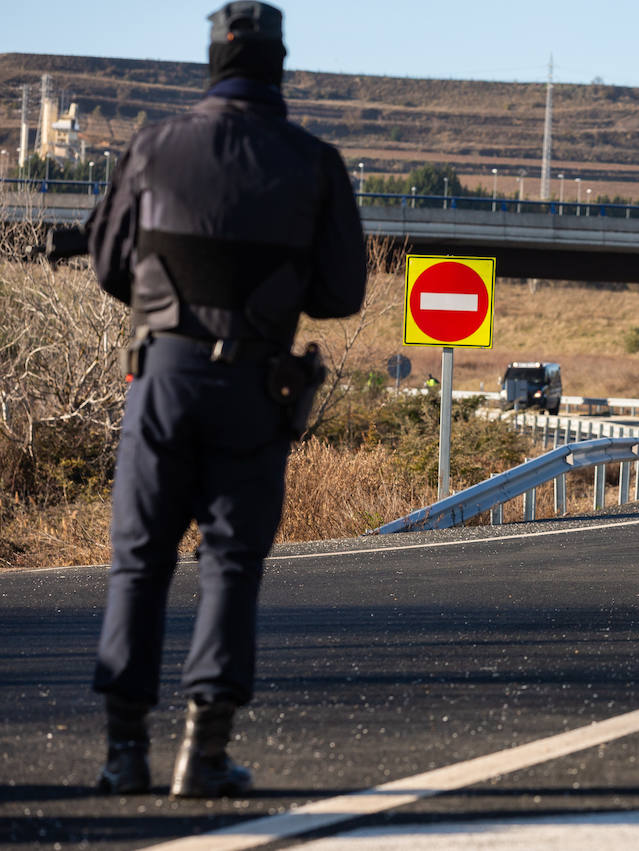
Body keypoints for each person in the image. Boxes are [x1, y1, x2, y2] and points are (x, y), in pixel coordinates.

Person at [85, 1, 366, 797]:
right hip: (253, 385)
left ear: (212, 61)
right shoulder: (314, 162)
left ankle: (122, 752)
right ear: (280, 65)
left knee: (139, 561)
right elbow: (343, 292)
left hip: (162, 379)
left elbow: (109, 264)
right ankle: (203, 754)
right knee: (231, 565)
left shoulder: (153, 146)